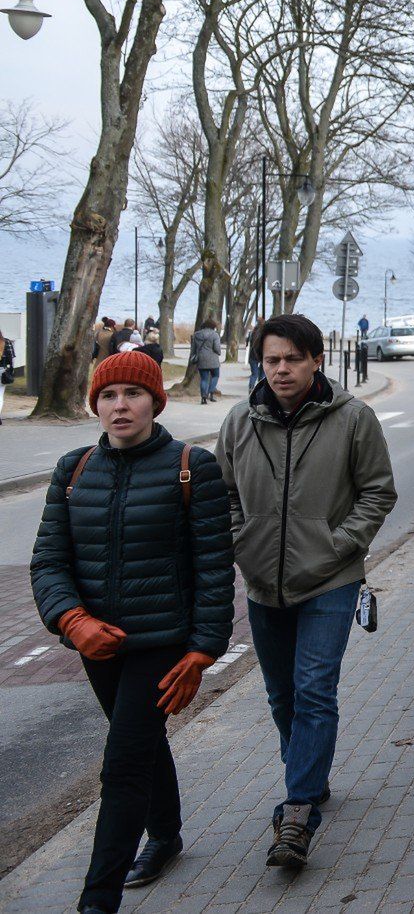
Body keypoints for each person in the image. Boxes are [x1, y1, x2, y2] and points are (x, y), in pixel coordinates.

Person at [30, 350, 232, 913]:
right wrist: (73, 622)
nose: (121, 406)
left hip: (162, 644)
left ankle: (98, 900)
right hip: (99, 645)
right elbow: (48, 562)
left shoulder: (193, 465)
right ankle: (165, 834)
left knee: (122, 764)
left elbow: (214, 569)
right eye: (108, 396)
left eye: (133, 394)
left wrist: (202, 651)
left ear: (154, 402)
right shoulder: (73, 470)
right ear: (95, 405)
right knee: (140, 742)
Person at [217, 314, 396, 870]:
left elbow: (377, 492)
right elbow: (221, 495)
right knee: (281, 696)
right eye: (272, 359)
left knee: (314, 688)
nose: (281, 369)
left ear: (317, 360)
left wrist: (339, 545)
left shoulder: (353, 419)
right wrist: (241, 543)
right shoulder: (240, 421)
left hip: (331, 580)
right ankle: (310, 779)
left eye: (293, 358)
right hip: (264, 584)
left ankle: (296, 812)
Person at [190, 319, 223, 405]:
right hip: (213, 360)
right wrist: (219, 352)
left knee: (204, 379)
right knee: (215, 375)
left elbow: (193, 348)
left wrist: (193, 357)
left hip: (201, 359)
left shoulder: (197, 334)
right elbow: (217, 348)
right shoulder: (215, 335)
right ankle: (211, 391)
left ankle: (203, 397)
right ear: (213, 326)